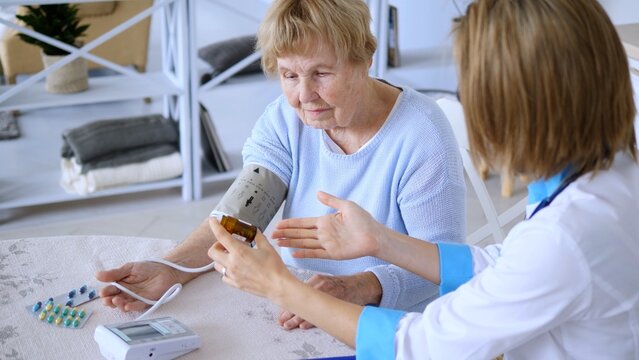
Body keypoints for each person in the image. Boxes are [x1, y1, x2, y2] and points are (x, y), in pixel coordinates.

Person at [207, 0, 639, 358]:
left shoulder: (567, 237)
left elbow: (422, 344)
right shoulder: (609, 177)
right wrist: (381, 240)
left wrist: (281, 288)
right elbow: (507, 266)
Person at [96, 0, 465, 331]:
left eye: (321, 73)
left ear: (364, 60)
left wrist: (358, 286)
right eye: (290, 75)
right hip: (297, 299)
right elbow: (240, 217)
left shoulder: (422, 134)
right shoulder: (285, 120)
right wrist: (171, 269)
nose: (304, 96)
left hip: (394, 326)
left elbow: (442, 266)